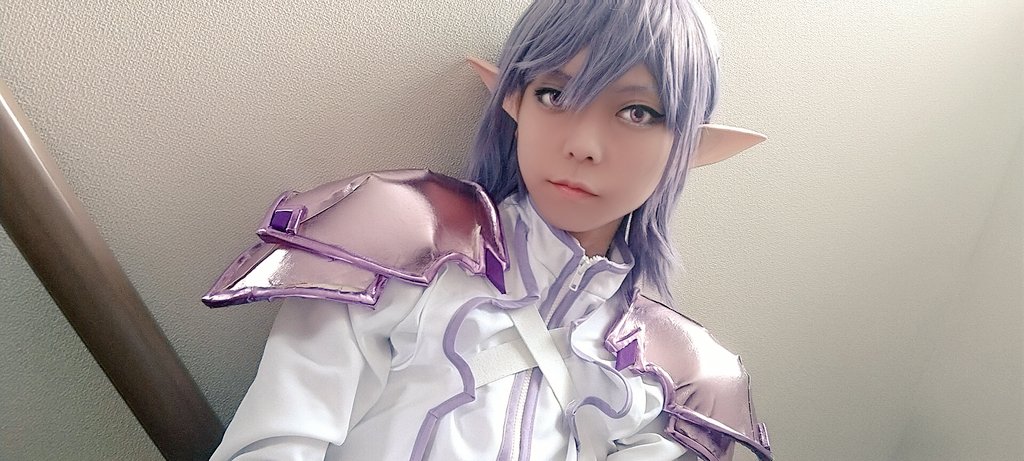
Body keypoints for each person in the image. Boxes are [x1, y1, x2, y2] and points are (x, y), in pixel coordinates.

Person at [203, 1, 773, 460]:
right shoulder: (398, 242)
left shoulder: (683, 377)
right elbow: (275, 441)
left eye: (637, 112)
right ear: (515, 103)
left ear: (689, 148)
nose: (582, 144)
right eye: (555, 95)